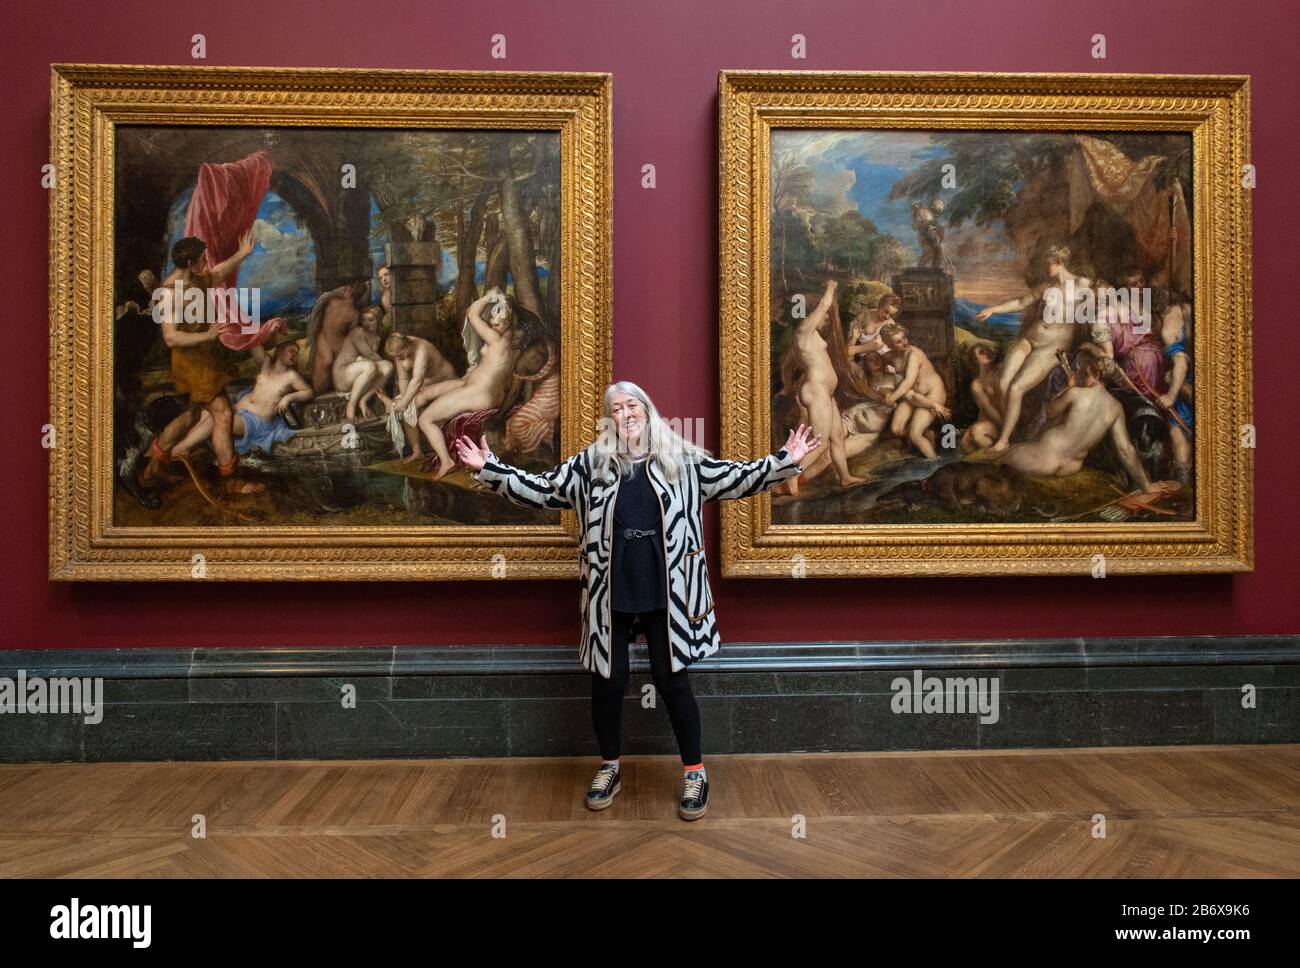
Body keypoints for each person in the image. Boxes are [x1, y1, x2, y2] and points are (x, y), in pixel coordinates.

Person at [453, 382, 820, 821]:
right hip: (612, 588)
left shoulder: (682, 462)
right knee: (608, 681)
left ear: (647, 412)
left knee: (672, 681)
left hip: (670, 590)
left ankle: (695, 772)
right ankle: (609, 766)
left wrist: (785, 462)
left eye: (632, 405)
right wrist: (488, 468)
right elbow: (542, 489)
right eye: (615, 407)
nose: (624, 413)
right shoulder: (591, 464)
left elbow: (735, 478)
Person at [138, 233, 267, 496]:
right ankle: (231, 480)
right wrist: (207, 335)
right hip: (190, 363)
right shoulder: (171, 292)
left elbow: (218, 273)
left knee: (192, 415)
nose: (207, 263)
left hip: (204, 359)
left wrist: (242, 254)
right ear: (189, 263)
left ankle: (153, 466)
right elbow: (171, 337)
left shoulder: (196, 279)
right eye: (202, 260)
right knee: (223, 413)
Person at [975, 246, 1091, 453]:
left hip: (1052, 347)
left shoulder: (1081, 284)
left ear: (1059, 263)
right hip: (1029, 339)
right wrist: (994, 309)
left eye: (1048, 264)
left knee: (1016, 388)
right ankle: (1015, 425)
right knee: (1002, 382)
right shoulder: (1046, 287)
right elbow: (1021, 302)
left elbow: (1102, 299)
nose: (1045, 269)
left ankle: (1004, 440)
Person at [997, 352, 1153, 489]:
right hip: (1071, 466)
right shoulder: (1116, 407)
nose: (1081, 378)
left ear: (1094, 373)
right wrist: (1146, 486)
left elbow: (1050, 411)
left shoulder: (1076, 393)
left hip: (1046, 457)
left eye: (1084, 374)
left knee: (1000, 459)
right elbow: (1125, 450)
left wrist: (1068, 389)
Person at [333, 305, 393, 421]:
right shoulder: (358, 333)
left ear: (378, 320)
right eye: (364, 320)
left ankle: (363, 400)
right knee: (371, 366)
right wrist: (363, 360)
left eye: (371, 320)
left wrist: (363, 360)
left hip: (360, 372)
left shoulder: (377, 337)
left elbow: (373, 359)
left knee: (388, 366)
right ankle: (351, 404)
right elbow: (370, 355)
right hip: (343, 375)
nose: (366, 323)